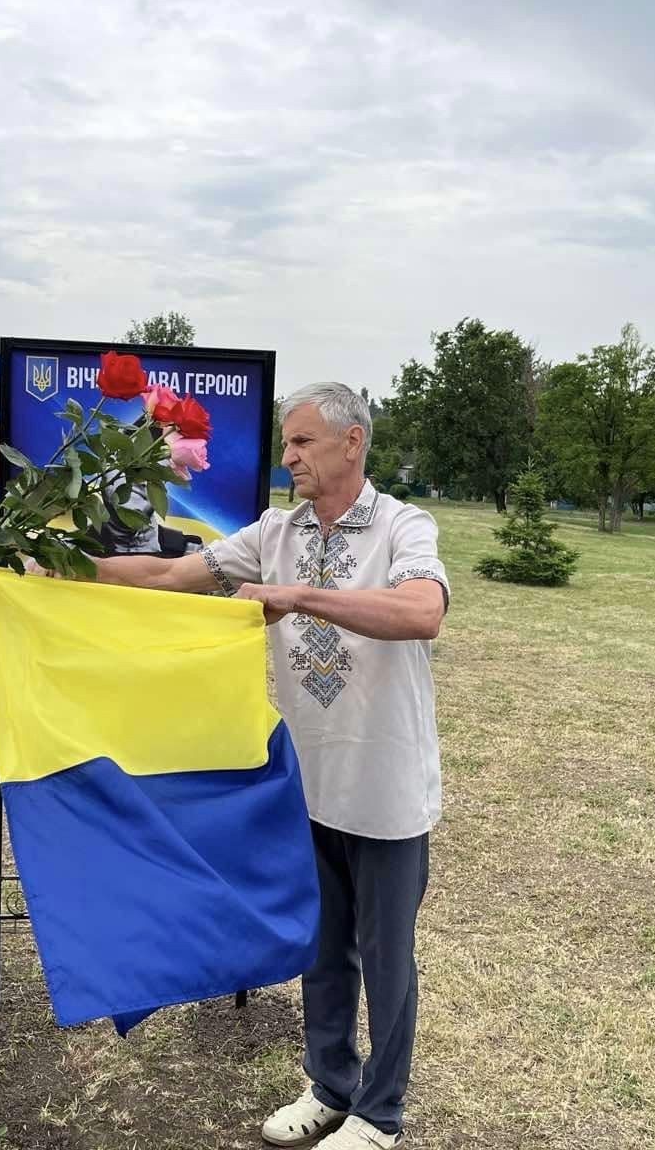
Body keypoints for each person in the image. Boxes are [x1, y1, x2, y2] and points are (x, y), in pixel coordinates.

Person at [88, 383, 448, 1150]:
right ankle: (329, 1086)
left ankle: (380, 1115)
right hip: (305, 784)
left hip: (383, 788)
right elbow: (167, 578)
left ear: (353, 443)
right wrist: (54, 569)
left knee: (386, 962)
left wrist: (301, 596)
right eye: (286, 443)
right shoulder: (273, 530)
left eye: (304, 443)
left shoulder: (400, 526)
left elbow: (422, 613)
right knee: (322, 949)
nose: (288, 457)